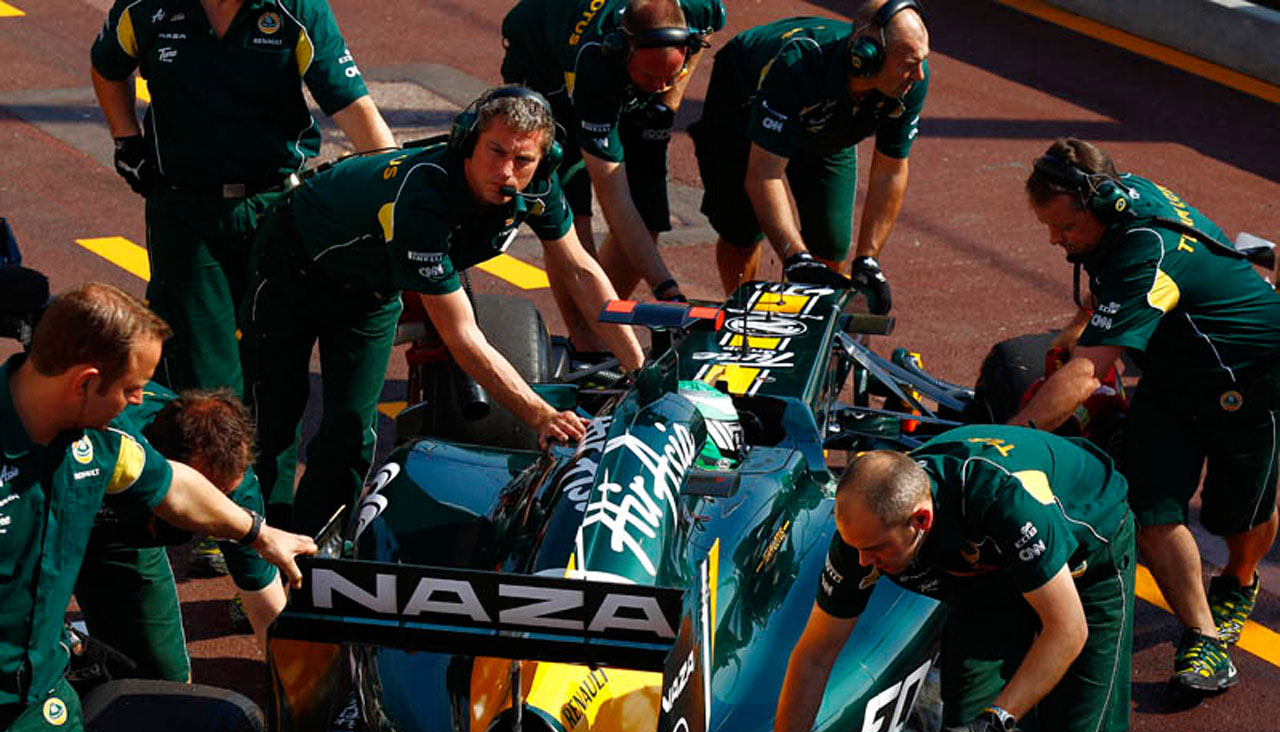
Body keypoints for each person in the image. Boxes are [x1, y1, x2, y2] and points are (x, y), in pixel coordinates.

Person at [0, 282, 314, 732]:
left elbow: (175, 488)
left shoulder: (100, 446)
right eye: (132, 388)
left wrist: (260, 534)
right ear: (86, 383)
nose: (141, 401)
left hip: (42, 723)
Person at [244, 87, 643, 534]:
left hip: (372, 288)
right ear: (467, 143)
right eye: (496, 152)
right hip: (291, 269)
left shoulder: (539, 183)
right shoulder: (422, 200)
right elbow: (462, 337)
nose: (508, 173)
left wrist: (640, 367)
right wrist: (539, 414)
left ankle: (313, 543)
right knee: (274, 417)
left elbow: (582, 272)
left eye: (523, 160)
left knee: (352, 426)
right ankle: (258, 545)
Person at [762, 427, 1136, 732]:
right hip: (985, 583)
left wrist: (998, 718)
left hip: (1085, 563)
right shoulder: (862, 535)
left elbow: (1068, 629)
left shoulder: (998, 499)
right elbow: (814, 656)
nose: (864, 562)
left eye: (877, 550)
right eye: (856, 547)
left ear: (920, 521)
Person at [1011, 138, 1280, 694]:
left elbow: (1088, 375)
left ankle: (1240, 579)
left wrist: (1008, 440)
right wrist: (1076, 328)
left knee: (1241, 517)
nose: (1055, 240)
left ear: (1100, 203)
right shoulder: (1120, 204)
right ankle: (1204, 639)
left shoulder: (1147, 244)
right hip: (1172, 376)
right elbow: (1111, 283)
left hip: (1250, 380)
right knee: (1154, 509)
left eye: (1063, 228)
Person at [89, 0, 396, 398]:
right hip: (184, 212)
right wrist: (125, 139)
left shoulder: (297, 8)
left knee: (274, 377)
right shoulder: (146, 6)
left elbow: (352, 104)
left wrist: (396, 190)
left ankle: (263, 463)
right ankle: (201, 460)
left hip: (275, 208)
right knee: (200, 381)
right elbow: (107, 67)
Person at [689, 0, 928, 301]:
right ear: (865, 58)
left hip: (826, 124)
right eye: (908, 64)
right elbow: (763, 173)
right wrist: (794, 255)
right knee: (741, 231)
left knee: (830, 245)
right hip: (743, 102)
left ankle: (809, 328)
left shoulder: (910, 80)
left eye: (921, 61)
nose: (919, 74)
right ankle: (742, 315)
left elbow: (890, 169)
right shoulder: (795, 64)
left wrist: (868, 259)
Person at [501, 0, 726, 311]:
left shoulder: (697, 8)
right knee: (569, 218)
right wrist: (666, 287)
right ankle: (585, 339)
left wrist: (668, 101)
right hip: (544, 67)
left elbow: (702, 38)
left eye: (670, 74)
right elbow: (612, 192)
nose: (660, 85)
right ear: (622, 50)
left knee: (648, 212)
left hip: (623, 69)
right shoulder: (595, 62)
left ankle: (604, 317)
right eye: (650, 77)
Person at [76, 387, 292, 673]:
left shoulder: (235, 486)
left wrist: (297, 696)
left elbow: (266, 605)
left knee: (163, 682)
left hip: (119, 540)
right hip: (47, 518)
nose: (212, 506)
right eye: (200, 495)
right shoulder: (99, 438)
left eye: (220, 497)